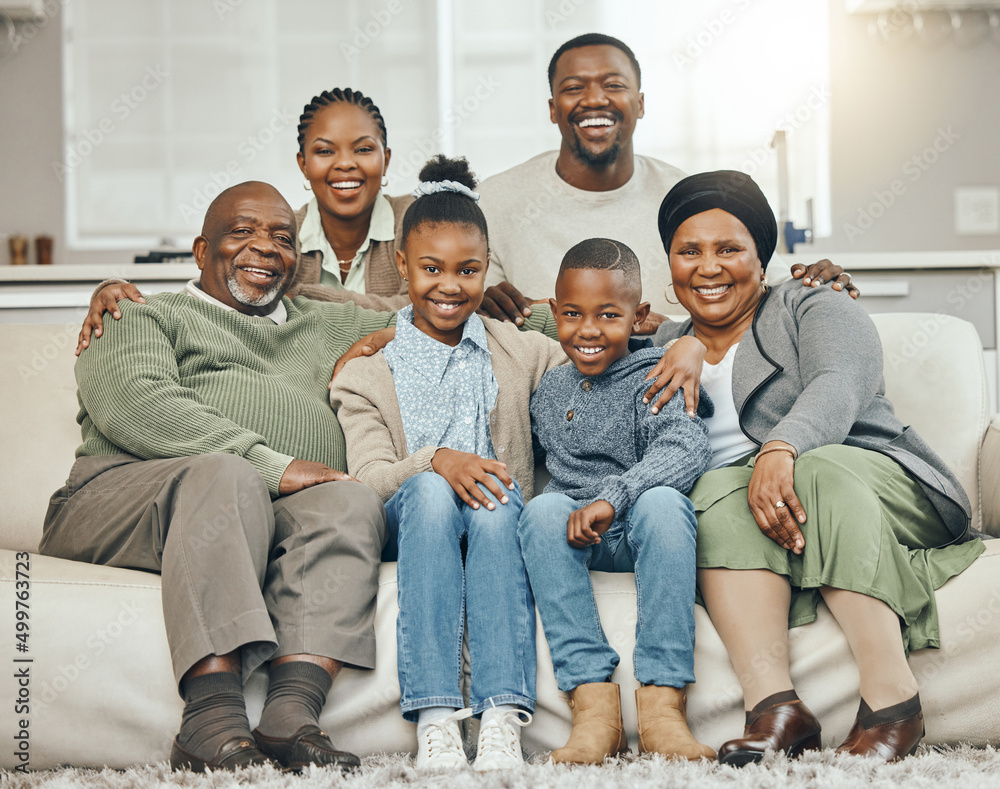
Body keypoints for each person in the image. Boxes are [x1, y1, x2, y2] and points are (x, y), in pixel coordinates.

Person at [40, 181, 397, 772]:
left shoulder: (327, 324)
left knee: (352, 501)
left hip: (252, 506)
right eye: (242, 232)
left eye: (283, 238)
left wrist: (533, 301)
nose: (265, 248)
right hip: (123, 498)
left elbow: (442, 305)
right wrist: (272, 465)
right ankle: (209, 723)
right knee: (228, 474)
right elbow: (135, 403)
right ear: (201, 251)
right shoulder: (140, 312)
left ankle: (290, 717)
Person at [650, 170, 984, 765]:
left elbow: (840, 382)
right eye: (689, 251)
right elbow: (566, 321)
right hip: (763, 514)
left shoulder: (810, 302)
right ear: (668, 262)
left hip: (877, 482)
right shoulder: (660, 343)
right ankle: (776, 709)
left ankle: (893, 702)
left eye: (729, 249)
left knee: (816, 467)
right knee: (710, 501)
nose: (708, 267)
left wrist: (782, 449)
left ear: (762, 259)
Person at [330, 156, 566, 773]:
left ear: (488, 270)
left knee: (493, 500)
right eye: (430, 269)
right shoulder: (367, 374)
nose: (448, 286)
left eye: (468, 270)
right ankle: (436, 716)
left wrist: (685, 343)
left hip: (497, 516)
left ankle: (498, 717)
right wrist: (437, 459)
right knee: (435, 491)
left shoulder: (522, 350)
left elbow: (599, 344)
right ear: (403, 267)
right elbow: (371, 479)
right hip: (415, 521)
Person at [476, 33, 858, 329]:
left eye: (613, 85)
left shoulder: (687, 200)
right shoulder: (496, 200)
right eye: (574, 88)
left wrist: (813, 283)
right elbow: (462, 303)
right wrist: (479, 306)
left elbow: (763, 282)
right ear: (553, 109)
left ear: (640, 104)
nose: (594, 99)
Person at [517, 238, 716, 765]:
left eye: (608, 315)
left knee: (665, 504)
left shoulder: (656, 375)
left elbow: (686, 446)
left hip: (637, 529)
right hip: (575, 536)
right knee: (539, 511)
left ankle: (663, 708)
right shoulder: (551, 388)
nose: (588, 330)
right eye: (573, 315)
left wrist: (615, 496)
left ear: (639, 316)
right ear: (554, 314)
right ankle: (593, 709)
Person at [76, 87, 410, 355]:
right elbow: (221, 299)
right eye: (325, 152)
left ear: (386, 159)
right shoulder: (279, 234)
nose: (345, 164)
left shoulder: (419, 221)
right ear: (303, 165)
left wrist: (307, 297)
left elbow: (437, 309)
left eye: (363, 150)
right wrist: (112, 290)